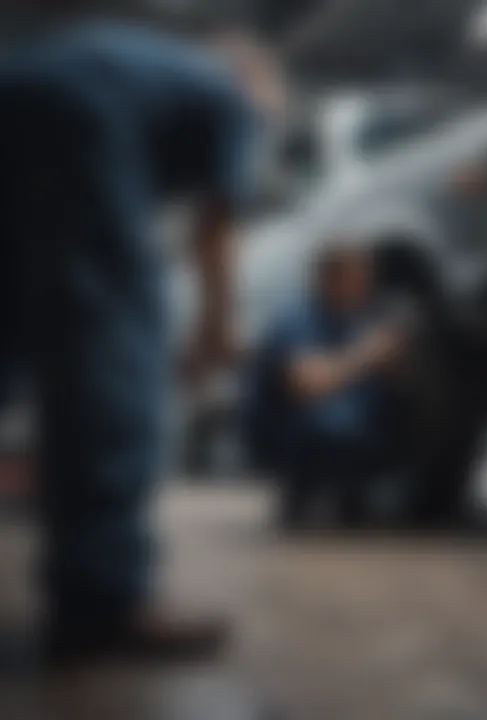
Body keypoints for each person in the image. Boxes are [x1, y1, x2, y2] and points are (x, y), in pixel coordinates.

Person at [0, 10, 280, 666]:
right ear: (255, 78)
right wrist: (217, 327)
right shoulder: (231, 96)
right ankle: (102, 602)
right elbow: (219, 220)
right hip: (78, 121)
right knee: (110, 348)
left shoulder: (149, 70)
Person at [248, 240, 411, 528]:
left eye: (366, 275)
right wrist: (367, 355)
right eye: (355, 274)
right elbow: (304, 383)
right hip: (296, 432)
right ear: (328, 277)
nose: (364, 283)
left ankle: (355, 492)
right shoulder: (295, 317)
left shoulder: (361, 319)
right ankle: (305, 492)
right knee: (328, 422)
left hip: (355, 429)